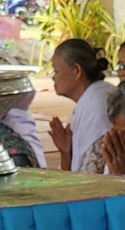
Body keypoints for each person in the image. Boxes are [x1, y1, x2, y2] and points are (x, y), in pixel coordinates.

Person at [48, 39, 113, 172]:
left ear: (77, 71)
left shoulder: (98, 106)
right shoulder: (90, 101)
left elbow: (91, 178)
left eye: (56, 71)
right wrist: (65, 152)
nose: (53, 77)